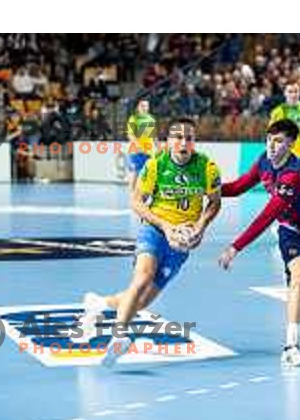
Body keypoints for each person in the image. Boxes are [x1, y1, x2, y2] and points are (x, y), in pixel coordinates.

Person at [80, 117, 222, 366]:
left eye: (189, 137)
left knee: (143, 301)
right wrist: (165, 226)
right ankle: (119, 337)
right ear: (168, 142)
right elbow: (136, 202)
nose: (183, 142)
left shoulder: (207, 168)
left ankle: (98, 303)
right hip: (155, 229)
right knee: (142, 277)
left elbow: (215, 202)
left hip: (182, 240)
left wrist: (200, 226)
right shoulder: (155, 166)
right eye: (178, 137)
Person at [218, 119, 300, 367]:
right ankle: (291, 346)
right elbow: (238, 187)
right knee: (299, 277)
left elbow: (266, 216)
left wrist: (235, 247)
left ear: (292, 144)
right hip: (290, 230)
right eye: (269, 139)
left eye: (279, 141)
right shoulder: (264, 160)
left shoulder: (295, 174)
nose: (272, 146)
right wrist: (205, 189)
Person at [126, 98, 157, 193]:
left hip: (148, 150)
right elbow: (130, 134)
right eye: (142, 106)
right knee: (136, 171)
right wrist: (137, 145)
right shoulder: (133, 118)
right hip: (136, 150)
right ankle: (132, 193)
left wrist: (155, 146)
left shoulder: (151, 119)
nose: (145, 108)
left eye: (146, 106)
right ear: (138, 107)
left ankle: (144, 193)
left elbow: (153, 135)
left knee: (148, 172)